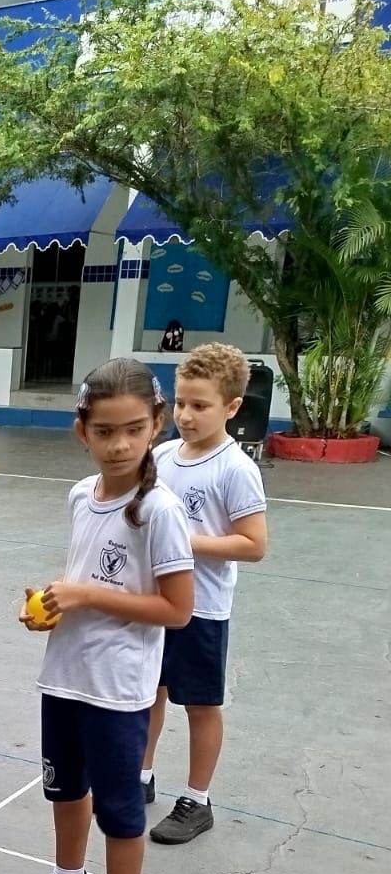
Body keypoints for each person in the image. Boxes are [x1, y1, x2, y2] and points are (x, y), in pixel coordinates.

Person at [4, 359, 194, 874]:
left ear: (157, 426)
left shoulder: (160, 511)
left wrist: (85, 596)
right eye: (105, 431)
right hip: (66, 674)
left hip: (118, 688)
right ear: (81, 430)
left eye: (134, 429)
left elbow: (177, 610)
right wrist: (52, 610)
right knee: (63, 785)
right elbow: (85, 576)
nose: (119, 445)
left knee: (119, 809)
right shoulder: (81, 497)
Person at [142, 343, 268, 844]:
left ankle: (198, 797)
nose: (186, 415)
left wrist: (184, 542)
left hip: (202, 607)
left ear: (232, 408)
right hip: (155, 602)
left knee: (199, 705)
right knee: (147, 691)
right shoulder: (162, 455)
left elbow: (254, 544)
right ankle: (139, 774)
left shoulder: (235, 469)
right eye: (180, 403)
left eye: (200, 406)